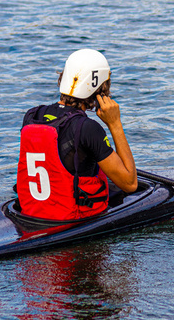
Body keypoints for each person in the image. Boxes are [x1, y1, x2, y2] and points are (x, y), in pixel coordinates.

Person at [17, 49, 138, 220]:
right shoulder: (88, 128)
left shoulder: (33, 116)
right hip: (71, 216)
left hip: (33, 212)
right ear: (100, 85)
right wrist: (115, 123)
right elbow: (130, 184)